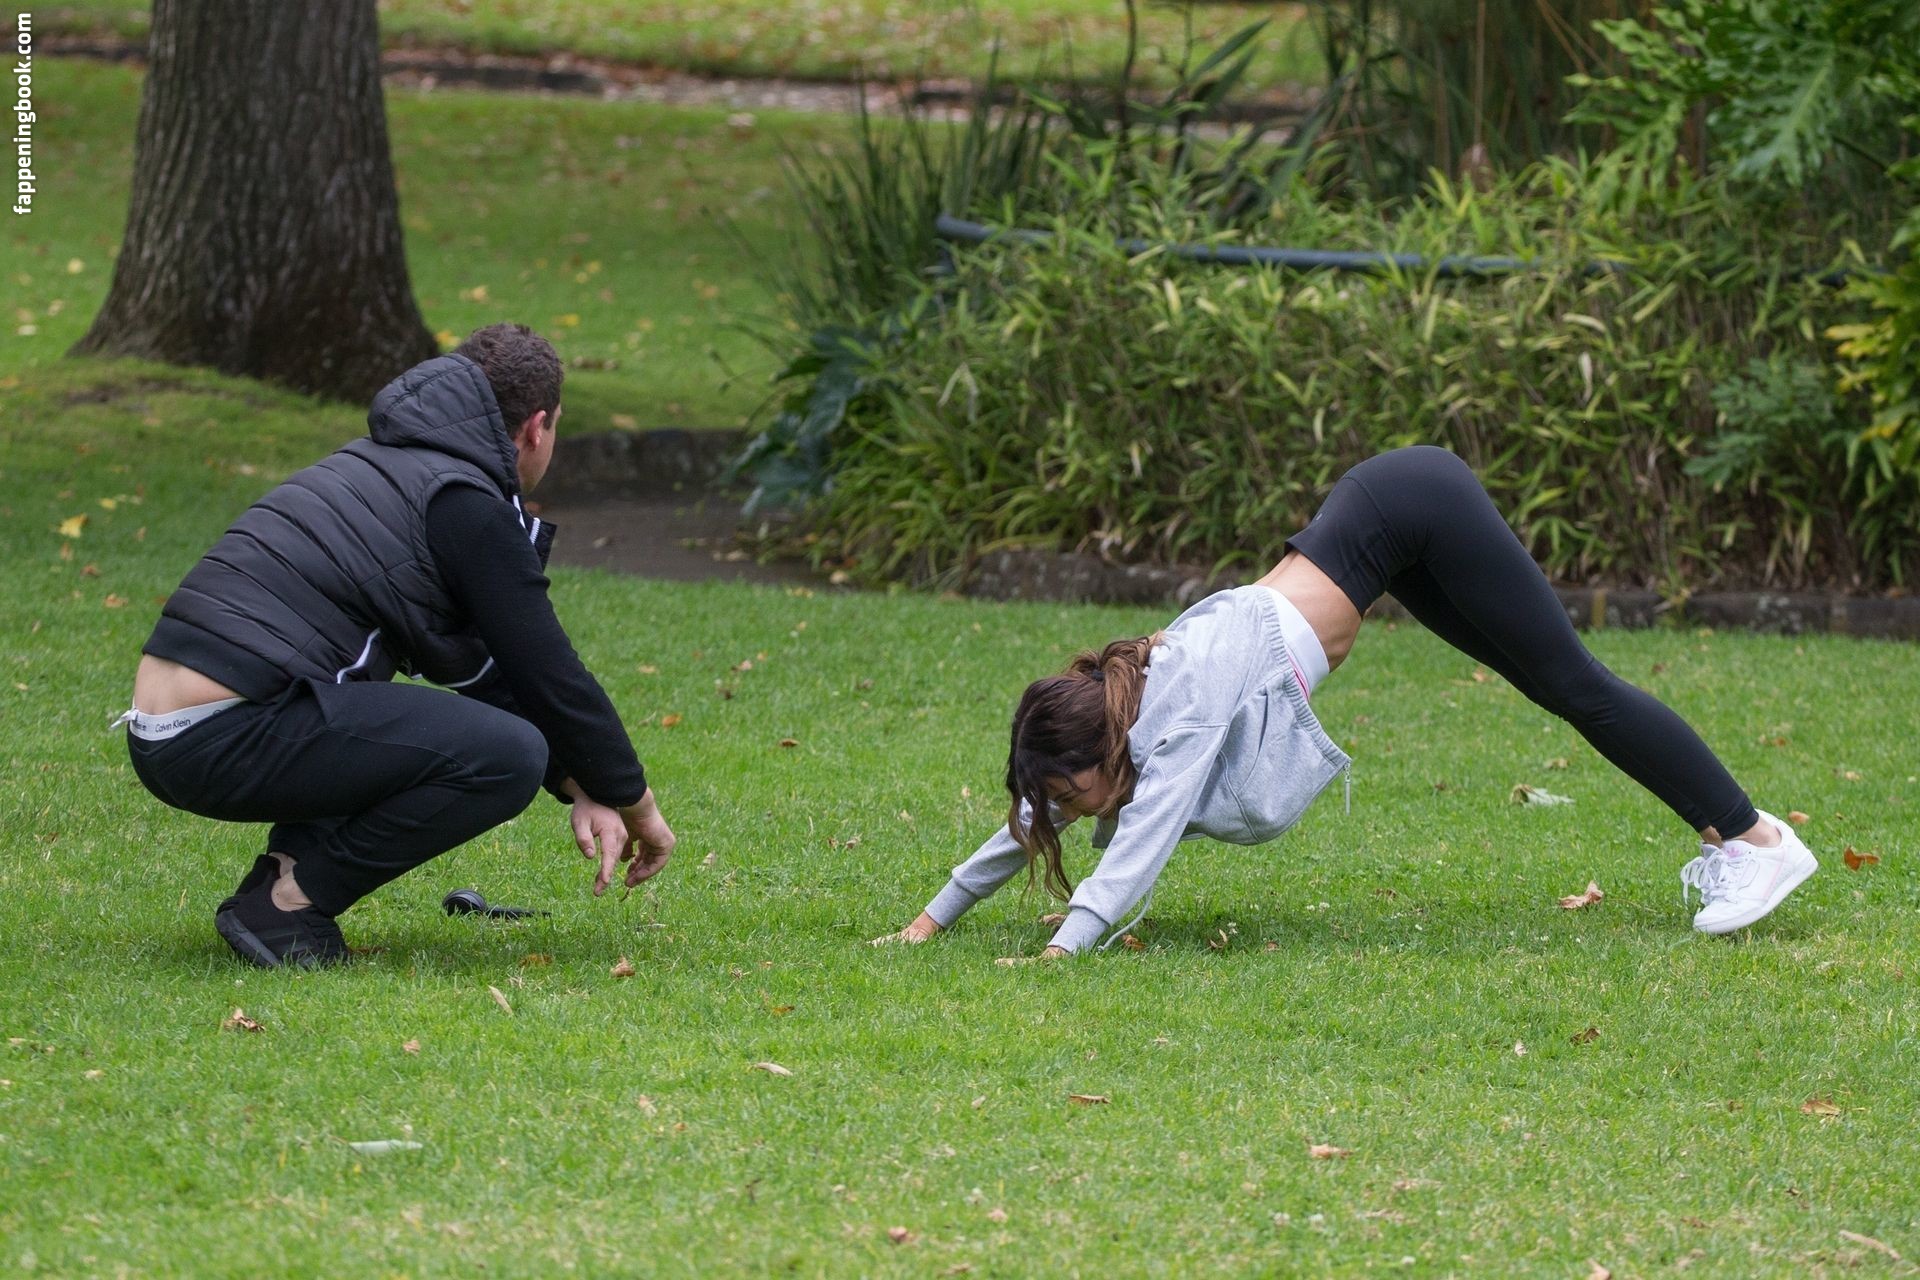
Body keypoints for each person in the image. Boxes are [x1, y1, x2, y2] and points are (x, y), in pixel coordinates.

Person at [877, 446, 1818, 958]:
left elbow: (1145, 840)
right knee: (1558, 689)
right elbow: (1037, 813)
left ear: (1106, 754)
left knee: (1577, 685)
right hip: (1389, 536)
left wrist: (1064, 951)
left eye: (1072, 795)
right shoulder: (1114, 720)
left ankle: (1756, 839)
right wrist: (929, 922)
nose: (1070, 812)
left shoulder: (1183, 712)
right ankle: (1728, 838)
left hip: (1413, 504)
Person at [119, 323, 676, 969]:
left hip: (165, 729)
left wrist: (582, 782)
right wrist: (639, 805)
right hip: (223, 732)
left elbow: (487, 675)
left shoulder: (380, 465)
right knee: (509, 754)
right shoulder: (463, 503)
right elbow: (550, 675)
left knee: (407, 718)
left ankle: (277, 882)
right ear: (536, 427)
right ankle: (288, 906)